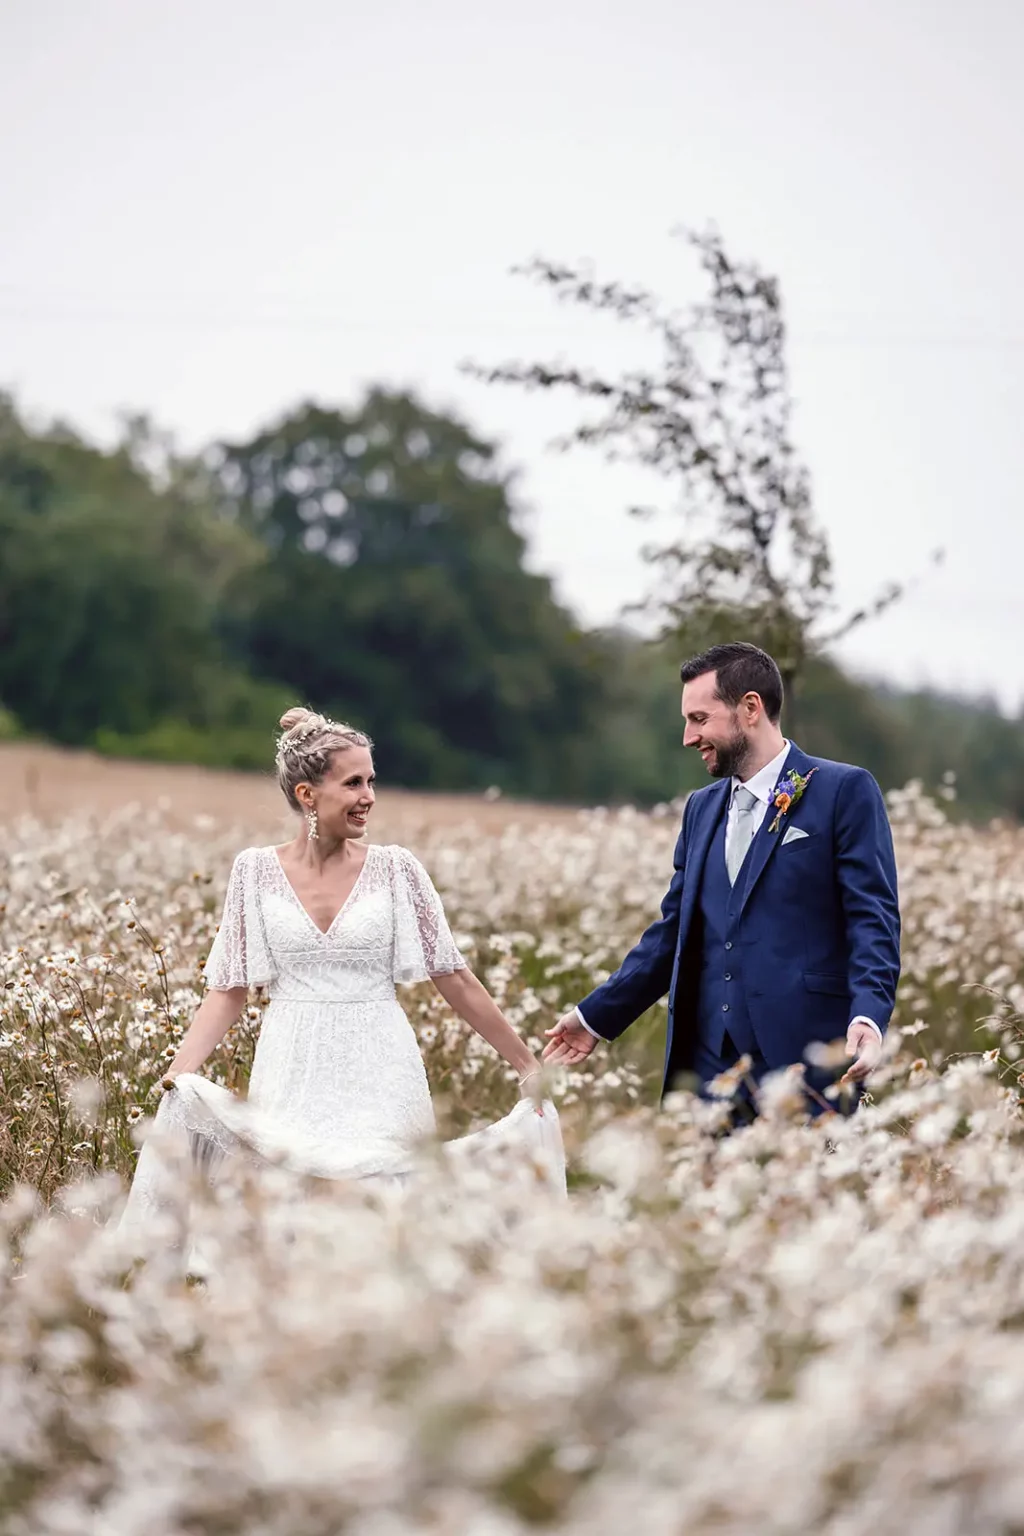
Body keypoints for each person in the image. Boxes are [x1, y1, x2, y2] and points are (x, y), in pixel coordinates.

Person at [121, 708, 563, 1235]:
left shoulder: (398, 870)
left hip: (380, 1062)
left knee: (387, 1214)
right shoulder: (254, 871)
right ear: (308, 795)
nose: (369, 796)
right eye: (353, 783)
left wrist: (527, 1065)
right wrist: (179, 1073)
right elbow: (228, 990)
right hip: (292, 1063)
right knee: (292, 1213)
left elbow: (455, 977)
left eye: (371, 781)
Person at [543, 643, 901, 1119]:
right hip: (708, 1070)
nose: (689, 736)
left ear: (750, 708)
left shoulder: (842, 791)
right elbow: (673, 932)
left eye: (699, 718)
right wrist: (595, 1017)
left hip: (810, 1060)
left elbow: (872, 919)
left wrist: (868, 1017)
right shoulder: (700, 809)